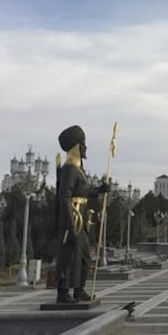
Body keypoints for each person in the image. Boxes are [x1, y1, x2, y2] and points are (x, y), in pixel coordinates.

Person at [55, 125, 109, 304]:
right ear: (75, 147)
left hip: (82, 219)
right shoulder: (69, 168)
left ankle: (79, 289)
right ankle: (63, 292)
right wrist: (69, 224)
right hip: (72, 219)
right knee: (68, 256)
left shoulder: (78, 169)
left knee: (85, 256)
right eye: (82, 144)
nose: (85, 147)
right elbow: (64, 196)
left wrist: (100, 190)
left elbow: (83, 191)